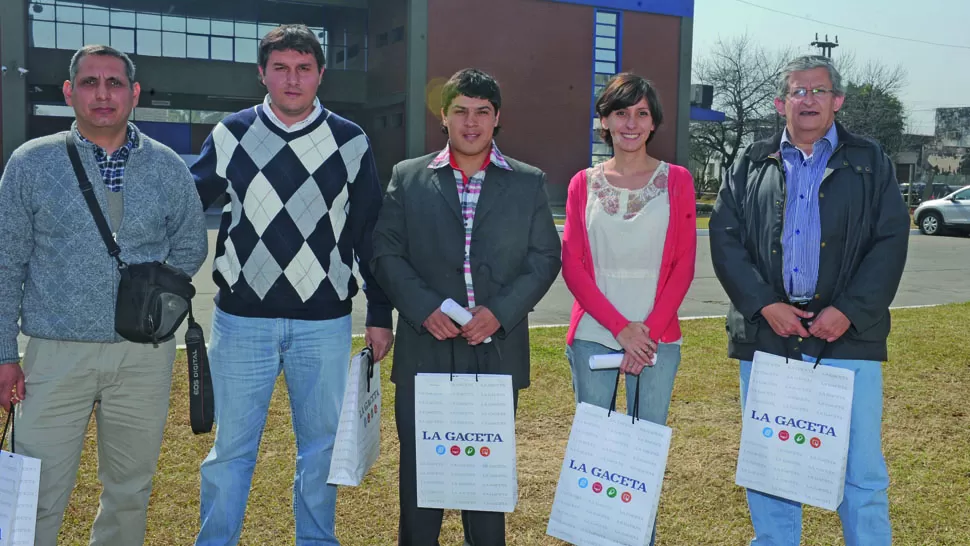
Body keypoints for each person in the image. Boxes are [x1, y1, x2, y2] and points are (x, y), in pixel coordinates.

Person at [191, 24, 393, 545]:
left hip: (324, 323)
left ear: (321, 73)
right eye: (280, 68)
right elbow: (187, 204)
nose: (292, 79)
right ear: (262, 73)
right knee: (230, 450)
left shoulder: (350, 140)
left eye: (304, 68)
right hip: (240, 321)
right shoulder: (231, 133)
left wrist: (378, 313)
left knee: (322, 448)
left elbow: (369, 232)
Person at [0, 44, 207, 546]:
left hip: (143, 357)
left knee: (130, 489)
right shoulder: (32, 163)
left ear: (134, 93)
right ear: (70, 92)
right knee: (40, 489)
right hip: (55, 354)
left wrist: (148, 301)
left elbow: (191, 244)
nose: (103, 93)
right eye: (90, 82)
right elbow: (6, 264)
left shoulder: (166, 167)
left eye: (114, 83)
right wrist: (5, 354)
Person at [709, 54, 910, 546]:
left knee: (860, 467)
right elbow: (725, 236)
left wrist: (850, 311)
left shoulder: (870, 161)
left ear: (837, 101)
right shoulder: (752, 160)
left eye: (819, 91)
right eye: (798, 91)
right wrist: (763, 304)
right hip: (769, 336)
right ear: (781, 103)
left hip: (848, 339)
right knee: (772, 467)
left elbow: (890, 239)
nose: (808, 100)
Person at [371, 68, 561, 546]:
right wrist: (422, 307)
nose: (470, 123)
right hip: (425, 349)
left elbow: (545, 257)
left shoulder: (527, 182)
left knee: (485, 484)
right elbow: (385, 252)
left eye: (481, 112)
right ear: (444, 116)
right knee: (422, 482)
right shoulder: (409, 177)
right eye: (460, 111)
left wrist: (499, 312)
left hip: (494, 350)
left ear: (497, 118)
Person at [560, 72, 696, 546]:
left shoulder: (677, 180)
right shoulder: (583, 183)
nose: (631, 122)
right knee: (593, 452)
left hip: (657, 339)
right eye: (621, 112)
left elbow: (683, 265)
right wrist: (622, 330)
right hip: (596, 333)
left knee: (642, 456)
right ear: (604, 120)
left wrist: (648, 333)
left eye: (641, 113)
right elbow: (573, 266)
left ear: (654, 122)